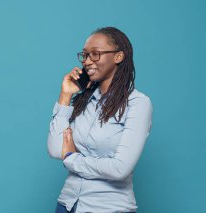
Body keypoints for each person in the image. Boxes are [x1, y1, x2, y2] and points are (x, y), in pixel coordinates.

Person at [47, 26, 153, 213]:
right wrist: (65, 96)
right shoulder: (83, 100)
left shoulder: (138, 104)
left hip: (107, 208)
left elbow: (120, 169)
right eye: (85, 55)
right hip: (67, 205)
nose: (87, 61)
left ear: (118, 56)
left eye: (95, 54)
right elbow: (56, 149)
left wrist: (72, 159)